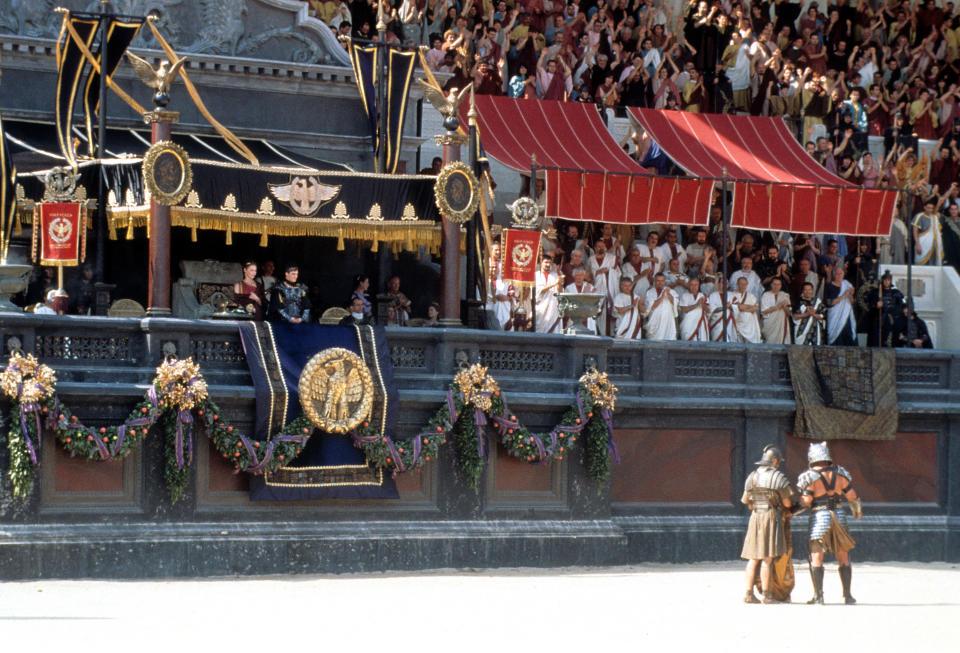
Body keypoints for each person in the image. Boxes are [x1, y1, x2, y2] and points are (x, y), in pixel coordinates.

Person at [797, 441, 863, 605]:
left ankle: (819, 596)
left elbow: (806, 500)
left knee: (816, 556)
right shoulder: (840, 474)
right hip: (839, 515)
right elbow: (852, 497)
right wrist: (857, 511)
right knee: (843, 555)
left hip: (820, 516)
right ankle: (847, 596)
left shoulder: (810, 476)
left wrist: (797, 503)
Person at [741, 445, 795, 604]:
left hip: (755, 517)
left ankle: (749, 594)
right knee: (767, 558)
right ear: (775, 460)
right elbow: (787, 503)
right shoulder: (778, 477)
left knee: (753, 558)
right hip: (771, 516)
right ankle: (766, 595)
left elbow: (748, 503)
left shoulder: (751, 477)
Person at [866, 271, 904, 346]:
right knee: (876, 340)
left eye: (888, 280)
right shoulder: (876, 292)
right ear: (882, 281)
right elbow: (870, 304)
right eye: (885, 280)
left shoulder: (896, 293)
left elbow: (900, 307)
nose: (886, 282)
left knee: (889, 340)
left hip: (891, 320)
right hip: (878, 319)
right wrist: (876, 305)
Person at [825, 267, 856, 345]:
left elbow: (852, 302)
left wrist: (851, 295)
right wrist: (843, 296)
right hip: (834, 315)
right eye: (837, 274)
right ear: (833, 275)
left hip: (845, 316)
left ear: (843, 274)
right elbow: (829, 303)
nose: (839, 276)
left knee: (847, 335)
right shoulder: (829, 286)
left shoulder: (847, 285)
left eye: (840, 273)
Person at [643, 273, 677, 341]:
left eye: (662, 281)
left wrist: (668, 294)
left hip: (668, 323)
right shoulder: (649, 292)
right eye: (658, 281)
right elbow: (651, 306)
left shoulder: (671, 292)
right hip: (655, 323)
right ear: (654, 281)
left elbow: (675, 303)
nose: (660, 283)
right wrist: (662, 296)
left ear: (664, 282)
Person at [564, 267, 597, 333]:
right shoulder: (569, 288)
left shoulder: (589, 286)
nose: (579, 277)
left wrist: (589, 293)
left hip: (587, 316)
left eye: (581, 275)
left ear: (584, 276)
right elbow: (567, 302)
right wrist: (584, 293)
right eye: (577, 275)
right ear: (574, 276)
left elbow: (594, 301)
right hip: (574, 316)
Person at [535, 255, 563, 333]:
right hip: (540, 308)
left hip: (553, 307)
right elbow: (539, 291)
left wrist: (560, 284)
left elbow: (560, 292)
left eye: (550, 262)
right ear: (541, 263)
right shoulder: (536, 275)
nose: (548, 264)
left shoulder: (554, 275)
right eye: (546, 262)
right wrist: (555, 283)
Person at [760, 278, 793, 344]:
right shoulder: (766, 295)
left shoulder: (784, 295)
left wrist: (784, 307)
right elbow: (763, 311)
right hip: (770, 323)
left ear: (781, 285)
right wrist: (778, 306)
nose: (776, 286)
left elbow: (789, 313)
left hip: (781, 323)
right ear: (771, 285)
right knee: (770, 341)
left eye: (778, 284)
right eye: (774, 284)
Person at [678, 277, 710, 341]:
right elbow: (684, 309)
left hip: (701, 324)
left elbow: (708, 310)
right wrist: (696, 305)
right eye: (692, 285)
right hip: (688, 324)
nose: (694, 287)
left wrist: (702, 304)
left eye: (696, 285)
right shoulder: (685, 295)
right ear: (689, 285)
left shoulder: (703, 295)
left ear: (698, 286)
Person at [912, 199, 943, 265]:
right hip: (922, 244)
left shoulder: (934, 217)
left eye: (932, 208)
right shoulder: (919, 216)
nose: (930, 210)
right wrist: (918, 245)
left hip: (933, 245)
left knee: (932, 264)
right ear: (924, 207)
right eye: (928, 208)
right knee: (921, 264)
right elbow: (915, 231)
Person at [732, 276, 762, 343]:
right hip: (737, 322)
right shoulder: (732, 295)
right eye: (741, 284)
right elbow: (738, 307)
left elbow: (756, 308)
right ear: (737, 284)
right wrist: (750, 307)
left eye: (745, 284)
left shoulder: (751, 296)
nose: (743, 286)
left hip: (750, 325)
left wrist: (743, 309)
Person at [708, 277, 738, 342]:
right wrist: (724, 308)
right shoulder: (713, 295)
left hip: (729, 323)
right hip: (717, 323)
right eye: (722, 283)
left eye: (726, 283)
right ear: (718, 284)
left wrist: (730, 307)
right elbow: (712, 310)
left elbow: (737, 307)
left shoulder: (731, 295)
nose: (724, 285)